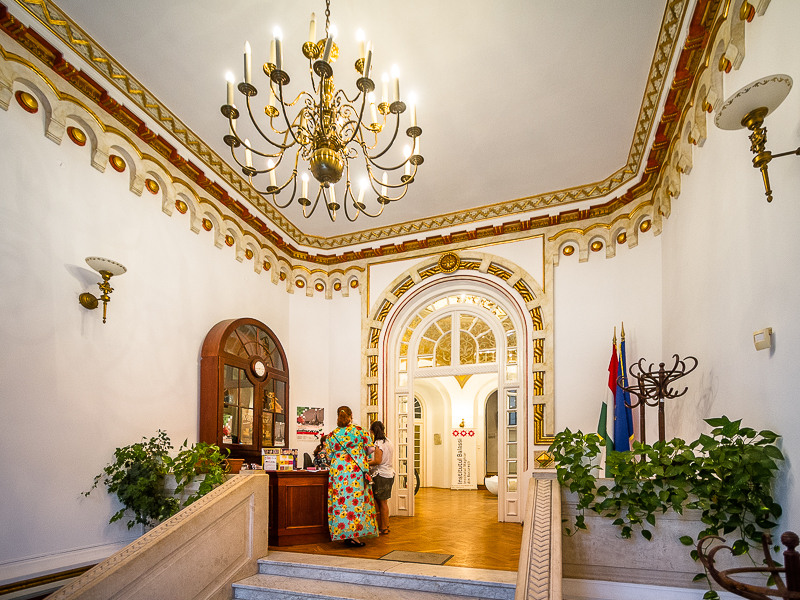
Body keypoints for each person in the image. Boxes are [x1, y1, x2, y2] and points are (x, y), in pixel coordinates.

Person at [324, 406, 378, 547]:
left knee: (341, 504)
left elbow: (328, 456)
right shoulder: (360, 431)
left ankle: (344, 534)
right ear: (351, 415)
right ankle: (355, 536)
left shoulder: (332, 435)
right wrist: (359, 453)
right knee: (357, 503)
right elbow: (371, 449)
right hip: (356, 472)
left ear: (338, 416)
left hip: (338, 473)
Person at [368, 420, 395, 535]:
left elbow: (378, 461)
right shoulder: (388, 441)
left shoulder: (378, 443)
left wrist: (366, 462)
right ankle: (386, 525)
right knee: (384, 502)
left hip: (381, 475)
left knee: (381, 503)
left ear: (372, 431)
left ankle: (383, 527)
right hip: (389, 474)